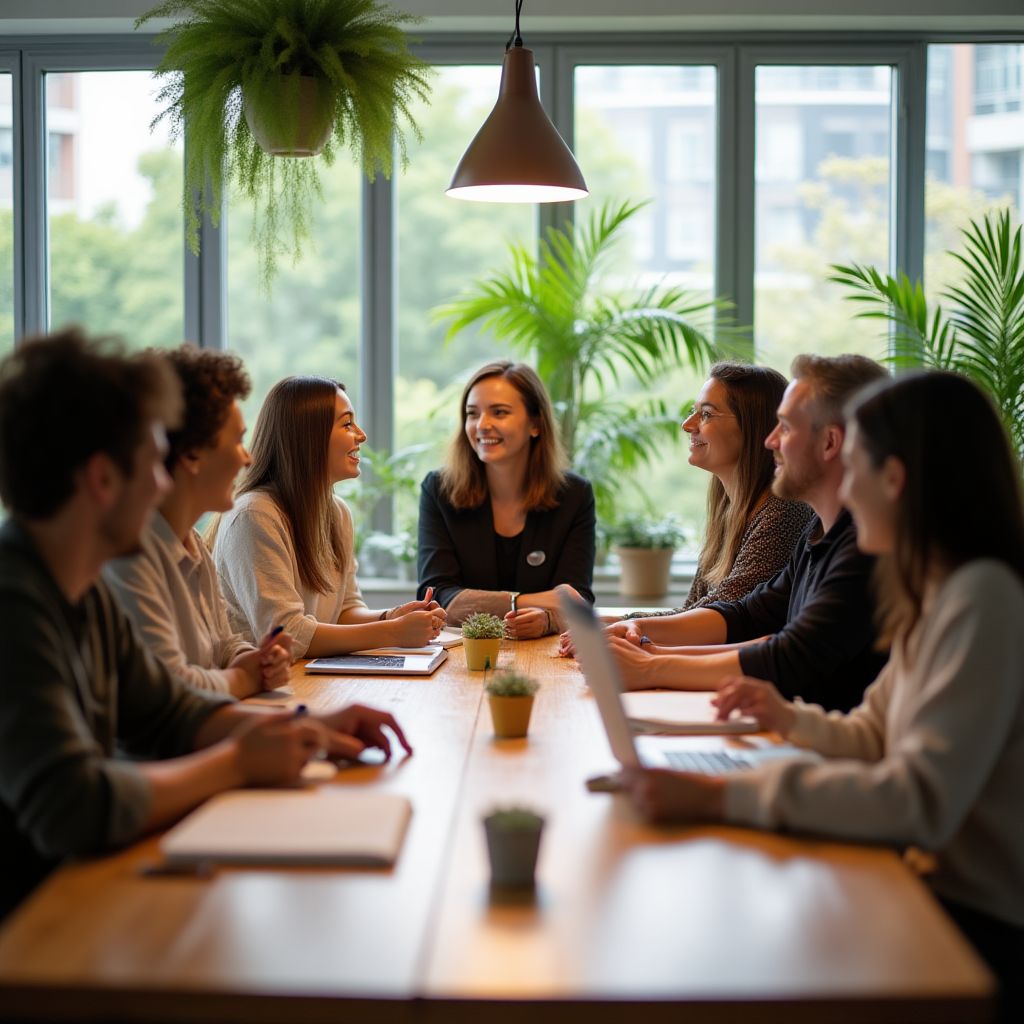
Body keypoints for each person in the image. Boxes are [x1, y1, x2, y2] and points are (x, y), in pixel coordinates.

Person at [621, 371, 1024, 1021]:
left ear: (894, 481)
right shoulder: (937, 591)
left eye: (856, 467)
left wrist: (724, 796)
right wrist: (788, 717)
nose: (846, 491)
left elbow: (917, 802)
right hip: (924, 884)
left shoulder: (983, 598)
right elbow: (871, 734)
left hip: (974, 924)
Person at [0, 330, 411, 920]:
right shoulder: (16, 602)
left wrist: (311, 726)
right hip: (37, 926)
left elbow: (169, 712)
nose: (164, 482)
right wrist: (239, 760)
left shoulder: (79, 590)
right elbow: (73, 805)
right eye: (153, 461)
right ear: (102, 479)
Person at [568, 354, 889, 712]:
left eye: (784, 427)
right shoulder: (818, 532)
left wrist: (650, 665)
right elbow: (746, 616)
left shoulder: (865, 544)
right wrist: (645, 640)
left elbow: (791, 655)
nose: (770, 441)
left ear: (830, 442)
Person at [104, 346, 292, 698]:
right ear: (192, 453)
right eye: (238, 441)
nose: (248, 459)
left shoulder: (191, 544)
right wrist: (245, 679)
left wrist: (256, 661)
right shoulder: (131, 557)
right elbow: (172, 688)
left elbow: (223, 646)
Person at [213, 375, 445, 658]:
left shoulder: (337, 513)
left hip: (309, 677)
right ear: (308, 436)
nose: (361, 435)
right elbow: (286, 635)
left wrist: (392, 616)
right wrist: (394, 632)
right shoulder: (254, 515)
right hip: (259, 681)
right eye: (347, 424)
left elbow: (345, 611)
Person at [417, 361, 595, 638]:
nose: (482, 425)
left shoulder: (575, 494)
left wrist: (548, 620)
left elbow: (577, 598)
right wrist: (524, 602)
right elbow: (436, 597)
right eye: (472, 414)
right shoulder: (439, 489)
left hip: (545, 652)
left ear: (535, 424)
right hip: (463, 652)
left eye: (499, 412)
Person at [625, 362, 814, 614]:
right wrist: (614, 623)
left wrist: (622, 624)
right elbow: (692, 610)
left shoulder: (783, 511)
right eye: (693, 412)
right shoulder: (728, 510)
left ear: (753, 426)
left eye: (706, 414)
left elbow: (720, 614)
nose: (687, 425)